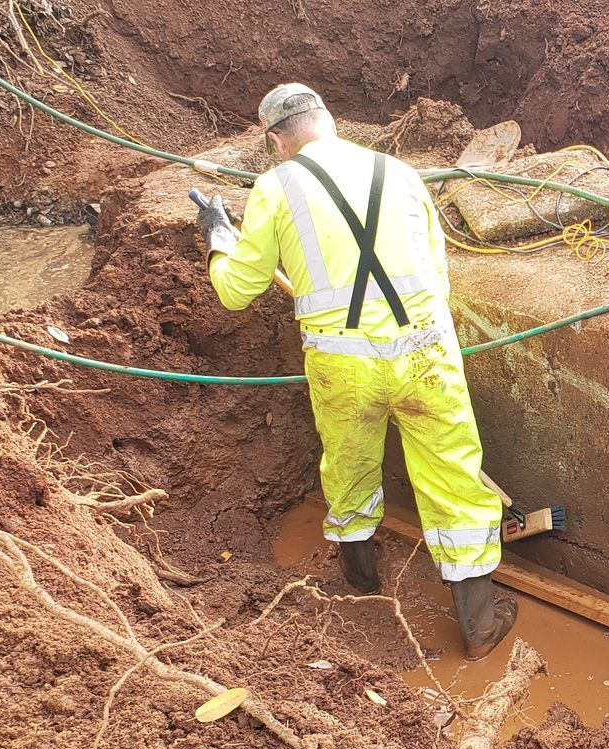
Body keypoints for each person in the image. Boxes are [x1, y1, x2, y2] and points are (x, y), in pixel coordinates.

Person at [194, 83, 515, 659]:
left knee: (349, 465)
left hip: (343, 364)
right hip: (425, 353)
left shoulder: (275, 186)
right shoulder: (400, 171)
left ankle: (362, 587)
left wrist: (220, 240)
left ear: (275, 140)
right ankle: (480, 629)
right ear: (330, 120)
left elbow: (237, 292)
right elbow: (437, 276)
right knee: (453, 480)